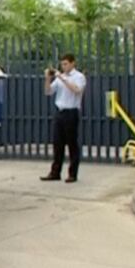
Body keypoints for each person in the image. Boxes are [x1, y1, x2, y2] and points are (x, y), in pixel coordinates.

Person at [41, 54, 86, 183]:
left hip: (71, 112)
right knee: (57, 144)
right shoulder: (60, 78)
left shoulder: (79, 77)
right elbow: (48, 92)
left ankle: (72, 173)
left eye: (66, 64)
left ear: (73, 63)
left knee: (72, 144)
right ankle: (55, 172)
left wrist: (61, 77)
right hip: (60, 112)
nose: (63, 66)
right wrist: (48, 79)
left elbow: (76, 90)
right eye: (62, 64)